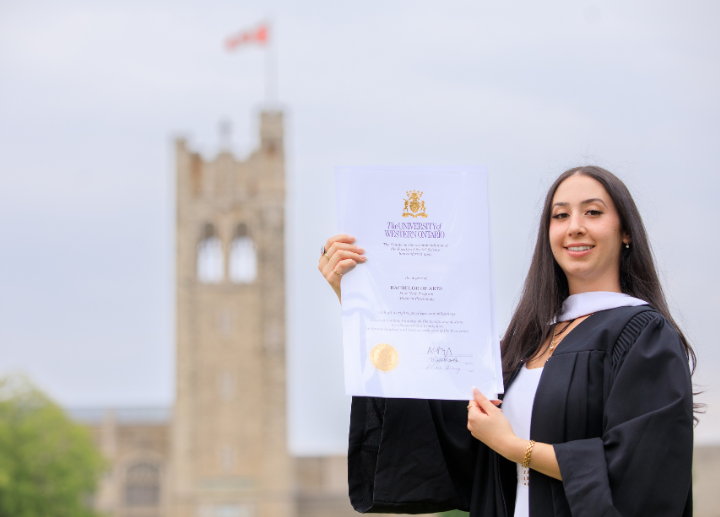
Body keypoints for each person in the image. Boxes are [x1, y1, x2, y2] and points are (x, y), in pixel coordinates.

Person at [318, 166, 695, 517]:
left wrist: (515, 448)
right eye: (560, 215)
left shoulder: (644, 335)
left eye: (593, 212)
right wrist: (358, 300)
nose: (575, 227)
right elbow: (441, 416)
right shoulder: (526, 343)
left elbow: (643, 470)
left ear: (625, 231)